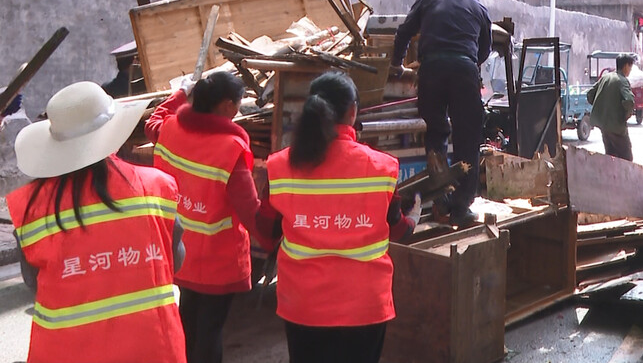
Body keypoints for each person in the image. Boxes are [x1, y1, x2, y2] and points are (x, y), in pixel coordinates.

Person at [8, 82, 186, 363]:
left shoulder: (28, 206)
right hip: (153, 348)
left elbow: (32, 281)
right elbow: (175, 260)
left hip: (63, 353)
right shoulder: (157, 186)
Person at [257, 72, 417, 363]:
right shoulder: (382, 167)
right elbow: (398, 230)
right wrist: (413, 220)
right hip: (364, 306)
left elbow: (265, 229)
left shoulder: (280, 166)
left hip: (303, 305)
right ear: (353, 111)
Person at [144, 71, 263, 363]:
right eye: (237, 103)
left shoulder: (170, 129)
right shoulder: (230, 149)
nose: (238, 110)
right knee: (211, 330)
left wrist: (180, 95)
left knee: (189, 320)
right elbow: (250, 210)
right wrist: (277, 231)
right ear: (225, 106)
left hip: (179, 251)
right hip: (216, 260)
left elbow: (153, 122)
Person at [392, 0, 491, 226]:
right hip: (464, 70)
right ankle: (461, 208)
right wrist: (468, 64)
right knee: (467, 137)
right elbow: (484, 50)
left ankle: (440, 198)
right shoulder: (478, 6)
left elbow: (403, 32)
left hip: (431, 70)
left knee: (436, 132)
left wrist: (395, 65)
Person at [586, 53, 636, 161]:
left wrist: (601, 107)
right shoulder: (622, 80)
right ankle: (624, 178)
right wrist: (626, 115)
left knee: (610, 157)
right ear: (626, 65)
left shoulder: (605, 77)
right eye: (630, 67)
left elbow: (590, 94)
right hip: (617, 127)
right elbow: (629, 101)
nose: (630, 70)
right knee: (626, 159)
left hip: (603, 126)